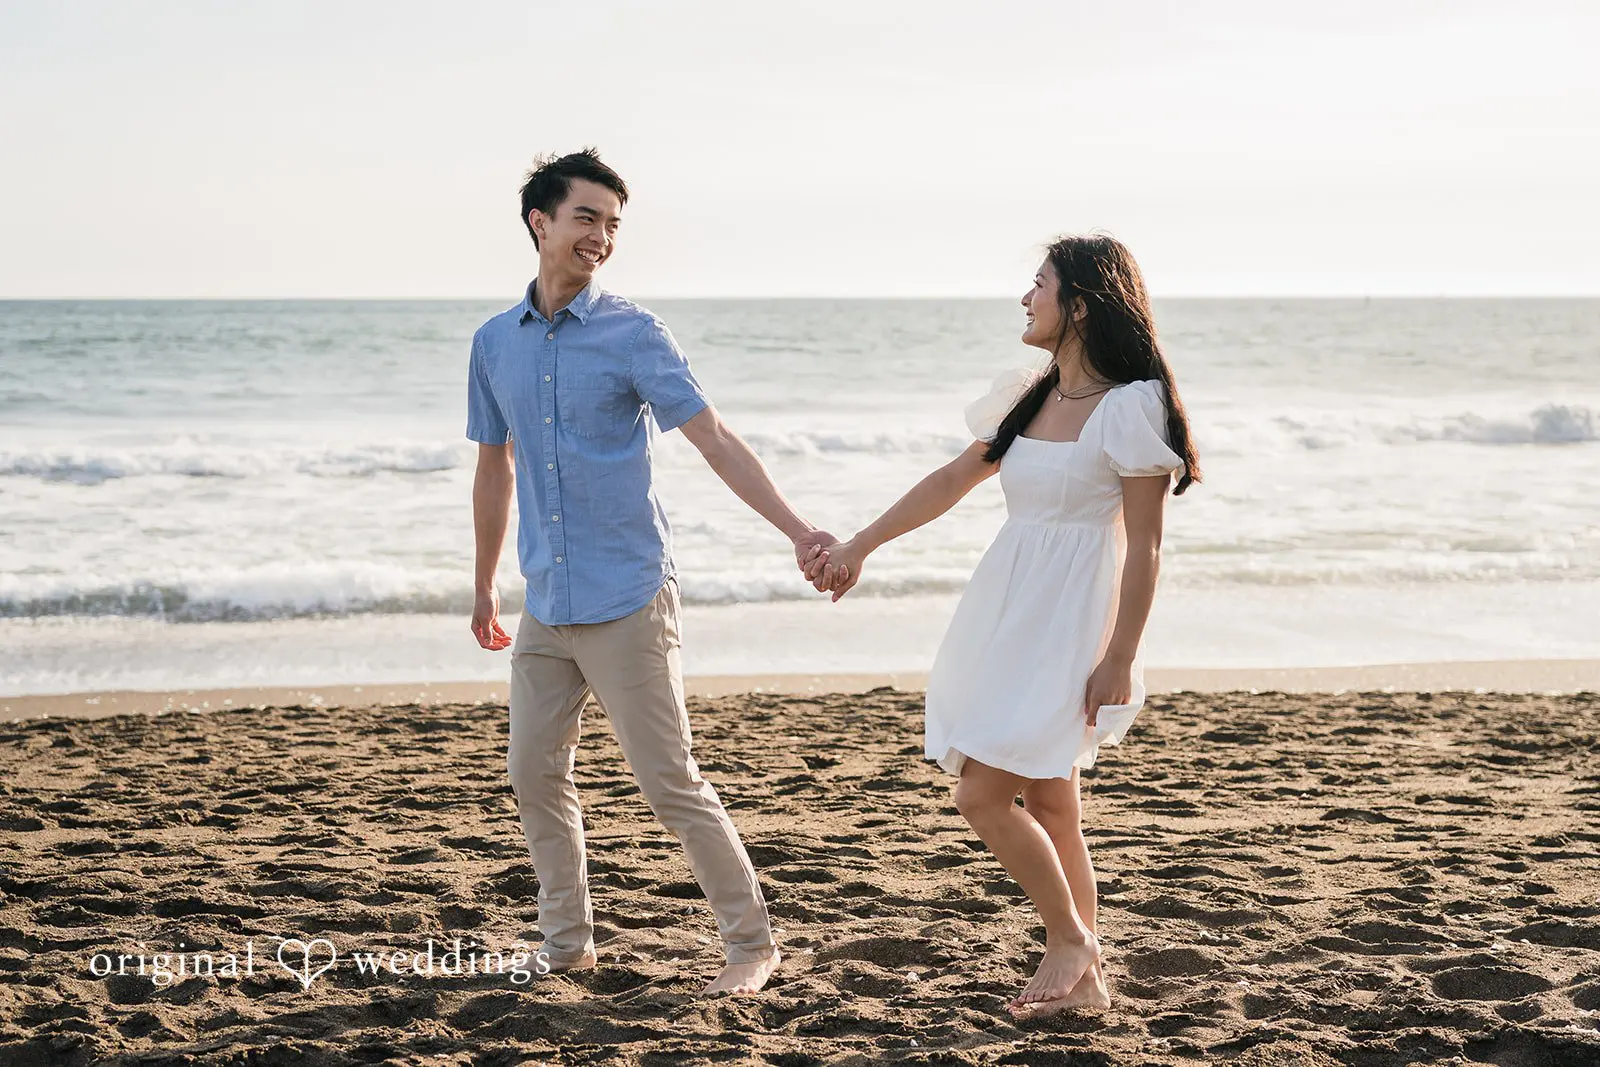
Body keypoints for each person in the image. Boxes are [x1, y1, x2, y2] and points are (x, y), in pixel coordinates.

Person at [467, 148, 837, 996]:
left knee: (670, 782)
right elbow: (496, 466)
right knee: (532, 773)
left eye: (613, 224)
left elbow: (711, 438)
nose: (601, 237)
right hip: (546, 603)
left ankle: (751, 944)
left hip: (630, 597)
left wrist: (796, 528)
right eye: (586, 217)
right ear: (541, 221)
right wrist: (485, 581)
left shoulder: (634, 333)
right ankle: (567, 944)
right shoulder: (493, 344)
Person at [801, 234, 1200, 1017]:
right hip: (1008, 608)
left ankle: (1070, 938)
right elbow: (953, 478)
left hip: (1073, 622)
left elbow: (1146, 546)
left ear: (1080, 303)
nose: (1026, 297)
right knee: (1053, 806)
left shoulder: (1130, 405)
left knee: (982, 797)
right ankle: (1085, 988)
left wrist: (1120, 654)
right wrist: (858, 546)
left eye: (1039, 284)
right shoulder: (1031, 392)